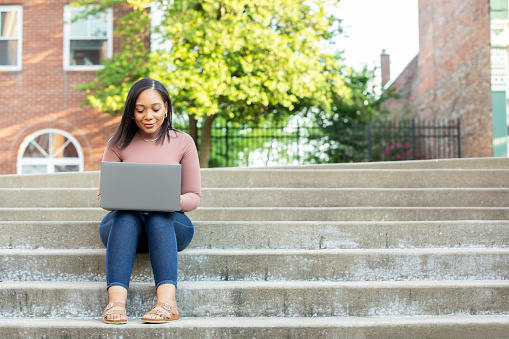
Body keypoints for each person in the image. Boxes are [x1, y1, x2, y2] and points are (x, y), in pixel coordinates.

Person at [97, 78, 201, 324]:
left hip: (169, 226)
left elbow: (194, 196)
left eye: (155, 108)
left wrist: (167, 200)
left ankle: (168, 303)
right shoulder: (117, 143)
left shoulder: (183, 141)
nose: (148, 116)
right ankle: (116, 302)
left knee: (158, 216)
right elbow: (104, 198)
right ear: (131, 111)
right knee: (125, 215)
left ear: (166, 108)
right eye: (140, 109)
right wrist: (129, 199)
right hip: (124, 229)